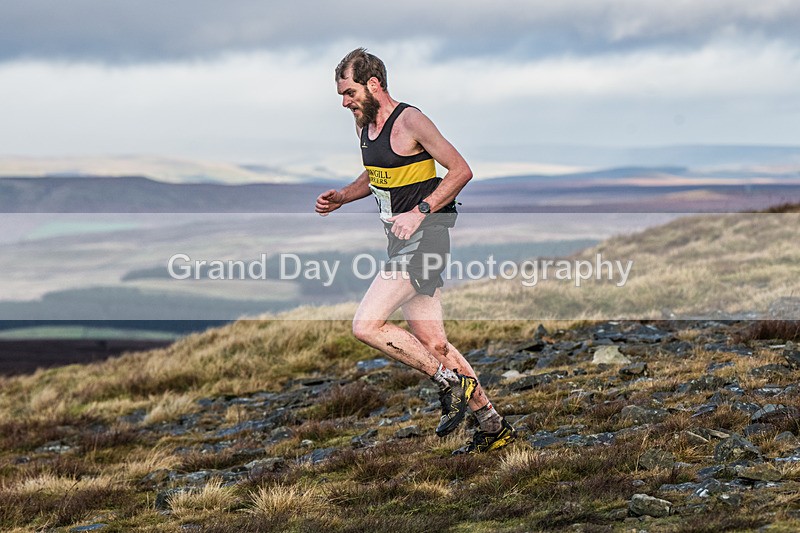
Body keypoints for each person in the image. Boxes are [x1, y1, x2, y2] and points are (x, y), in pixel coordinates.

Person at [315, 48, 515, 454]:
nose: (344, 101)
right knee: (434, 342)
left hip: (427, 238)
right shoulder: (364, 128)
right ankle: (493, 426)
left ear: (373, 84)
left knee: (366, 324)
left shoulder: (411, 120)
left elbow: (461, 170)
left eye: (349, 92)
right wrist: (343, 197)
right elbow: (376, 176)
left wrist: (421, 211)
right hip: (401, 243)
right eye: (341, 94)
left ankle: (448, 382)